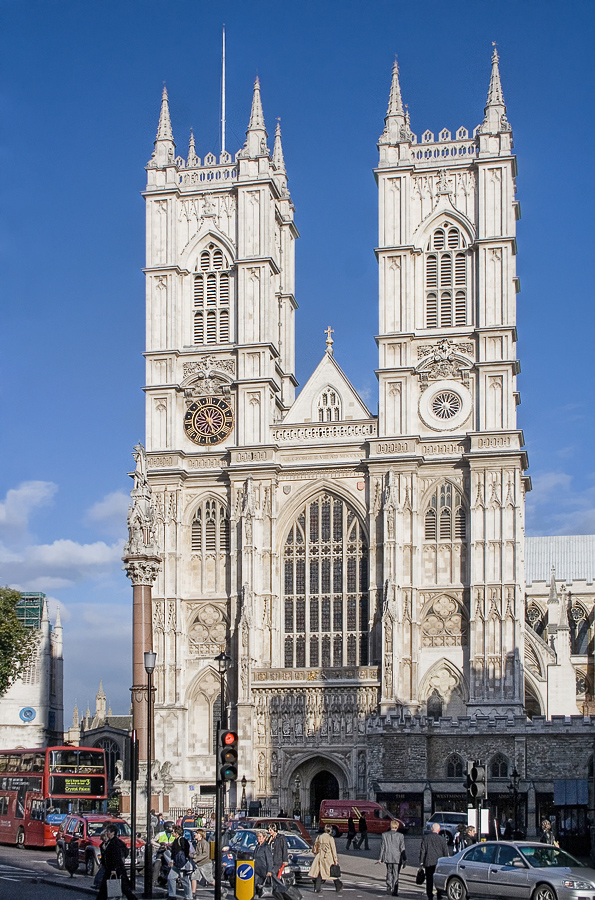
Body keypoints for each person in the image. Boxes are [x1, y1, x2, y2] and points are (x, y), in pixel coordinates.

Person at [97, 824, 138, 900]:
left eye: (108, 831)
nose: (107, 833)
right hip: (110, 869)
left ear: (113, 833)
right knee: (104, 889)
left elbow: (116, 857)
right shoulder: (109, 842)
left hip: (116, 870)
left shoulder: (115, 843)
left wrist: (114, 869)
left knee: (125, 889)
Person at [308, 824, 343, 893]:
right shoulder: (330, 838)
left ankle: (317, 888)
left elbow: (316, 847)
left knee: (319, 872)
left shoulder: (319, 837)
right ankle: (338, 885)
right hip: (328, 857)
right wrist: (335, 860)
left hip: (320, 856)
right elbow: (333, 850)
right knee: (331, 872)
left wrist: (316, 852)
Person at [419, 823, 449, 900]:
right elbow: (445, 852)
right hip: (439, 863)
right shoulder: (442, 839)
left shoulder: (426, 838)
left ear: (432, 829)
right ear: (439, 830)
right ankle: (439, 894)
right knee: (439, 879)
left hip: (428, 862)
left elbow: (423, 851)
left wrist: (421, 862)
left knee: (429, 880)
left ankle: (430, 895)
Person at [376, 820, 406, 896]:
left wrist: (380, 858)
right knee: (396, 873)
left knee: (389, 872)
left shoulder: (384, 835)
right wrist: (405, 858)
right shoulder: (400, 836)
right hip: (397, 857)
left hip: (388, 856)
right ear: (397, 826)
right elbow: (402, 848)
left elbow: (382, 847)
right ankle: (395, 889)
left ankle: (389, 886)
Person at [168, 825, 193, 900]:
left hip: (182, 864)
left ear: (176, 833)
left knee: (185, 880)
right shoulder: (176, 840)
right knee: (170, 878)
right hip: (177, 863)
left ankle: (189, 897)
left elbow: (185, 851)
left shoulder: (182, 840)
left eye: (173, 831)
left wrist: (183, 860)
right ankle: (172, 895)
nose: (172, 833)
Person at [254, 830, 275, 897]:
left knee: (263, 884)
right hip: (256, 869)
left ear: (264, 838)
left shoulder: (266, 847)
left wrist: (269, 870)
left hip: (263, 869)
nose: (258, 838)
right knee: (255, 883)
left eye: (260, 837)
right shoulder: (257, 846)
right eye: (258, 837)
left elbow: (269, 859)